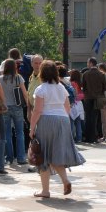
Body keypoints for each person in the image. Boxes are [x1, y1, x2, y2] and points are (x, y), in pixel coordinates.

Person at [29, 60, 85, 198]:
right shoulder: (61, 87)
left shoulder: (41, 89)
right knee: (56, 154)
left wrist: (31, 128)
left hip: (47, 120)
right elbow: (67, 107)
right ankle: (65, 180)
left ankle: (45, 190)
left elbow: (37, 111)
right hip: (63, 121)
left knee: (43, 155)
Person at [0, 58, 29, 165]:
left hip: (4, 107)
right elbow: (25, 94)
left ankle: (9, 158)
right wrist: (29, 106)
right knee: (19, 133)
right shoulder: (18, 78)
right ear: (15, 67)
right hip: (17, 107)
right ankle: (21, 158)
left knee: (7, 133)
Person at [81, 57, 106, 143]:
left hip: (88, 97)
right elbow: (105, 86)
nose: (87, 64)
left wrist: (87, 92)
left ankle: (87, 137)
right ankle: (95, 136)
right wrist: (100, 91)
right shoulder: (102, 74)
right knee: (96, 118)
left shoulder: (85, 74)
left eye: (88, 63)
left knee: (88, 117)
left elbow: (83, 86)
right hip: (99, 98)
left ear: (91, 63)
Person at [69, 69, 84, 143]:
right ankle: (79, 137)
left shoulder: (72, 83)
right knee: (78, 122)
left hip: (73, 103)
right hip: (79, 103)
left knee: (71, 121)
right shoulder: (80, 82)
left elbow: (73, 93)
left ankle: (72, 137)